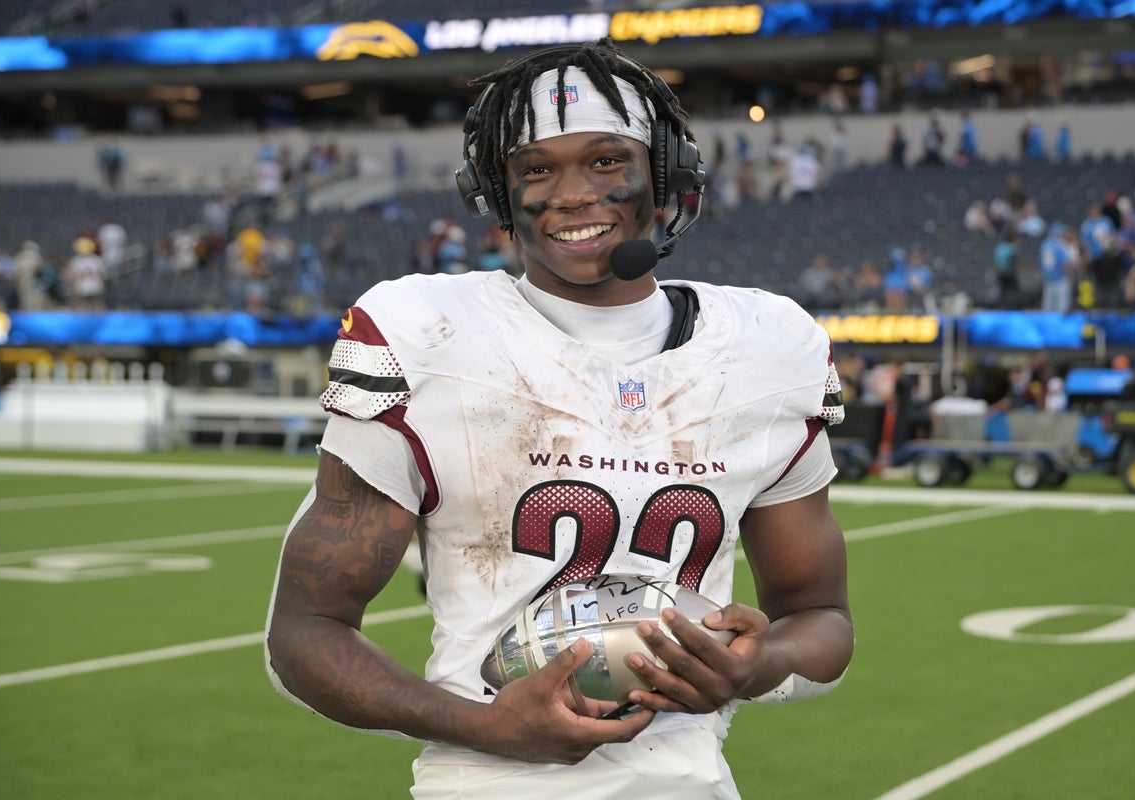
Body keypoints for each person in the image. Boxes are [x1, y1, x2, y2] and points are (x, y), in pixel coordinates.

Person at [265, 38, 853, 799]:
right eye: (536, 168)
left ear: (665, 172)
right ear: (498, 193)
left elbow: (821, 616)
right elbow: (302, 636)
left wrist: (754, 664)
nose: (574, 193)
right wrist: (482, 727)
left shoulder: (768, 347)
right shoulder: (430, 336)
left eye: (607, 159)